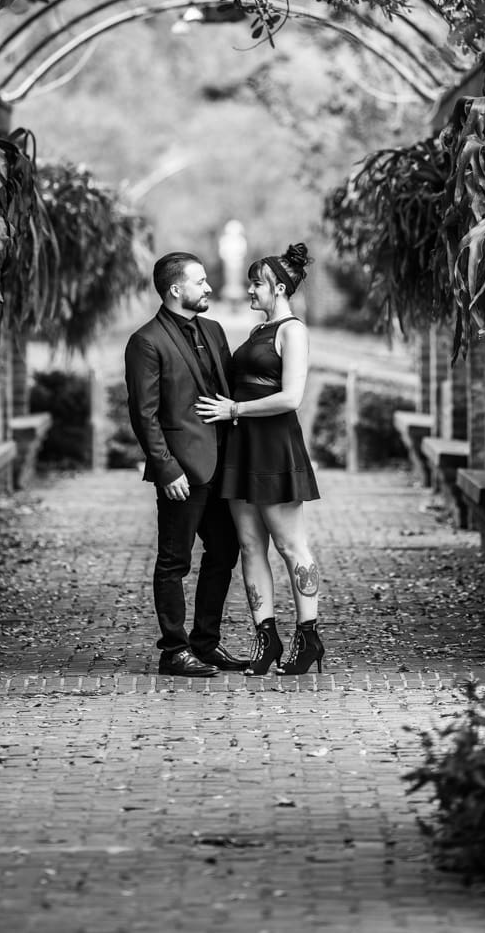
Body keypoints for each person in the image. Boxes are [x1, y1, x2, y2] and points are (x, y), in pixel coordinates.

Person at [196, 242, 323, 676]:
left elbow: (291, 398)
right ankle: (265, 638)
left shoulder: (293, 331)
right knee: (250, 546)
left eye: (257, 284)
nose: (251, 291)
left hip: (273, 447)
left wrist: (236, 410)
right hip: (241, 446)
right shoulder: (256, 333)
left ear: (280, 287)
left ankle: (309, 639)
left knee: (290, 546)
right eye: (250, 282)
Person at [124, 252, 251, 677]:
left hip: (222, 467)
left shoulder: (214, 331)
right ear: (176, 289)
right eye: (200, 281)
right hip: (181, 471)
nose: (209, 287)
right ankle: (173, 651)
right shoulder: (146, 341)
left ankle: (206, 643)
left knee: (225, 551)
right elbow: (145, 414)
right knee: (174, 561)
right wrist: (166, 469)